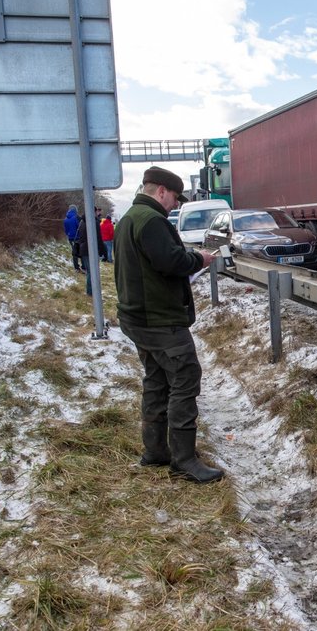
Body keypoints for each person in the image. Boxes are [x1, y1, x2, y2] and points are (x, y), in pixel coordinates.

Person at [113, 166, 222, 483]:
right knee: (185, 379)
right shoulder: (151, 221)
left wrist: (185, 255)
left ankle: (156, 451)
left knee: (157, 381)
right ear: (161, 191)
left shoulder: (129, 219)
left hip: (139, 319)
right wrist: (199, 258)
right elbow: (170, 262)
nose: (175, 204)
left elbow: (157, 259)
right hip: (160, 320)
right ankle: (184, 460)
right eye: (174, 197)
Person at [76, 206, 106, 295]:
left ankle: (91, 291)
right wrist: (102, 251)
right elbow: (98, 238)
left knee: (90, 271)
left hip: (83, 249)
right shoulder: (93, 222)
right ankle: (92, 292)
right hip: (91, 250)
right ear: (94, 212)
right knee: (93, 272)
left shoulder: (82, 221)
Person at [63, 205, 82, 272]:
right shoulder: (76, 218)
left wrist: (68, 234)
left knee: (74, 252)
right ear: (75, 210)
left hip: (70, 238)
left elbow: (65, 230)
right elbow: (79, 227)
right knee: (80, 252)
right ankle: (82, 267)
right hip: (77, 237)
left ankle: (76, 267)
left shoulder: (65, 219)